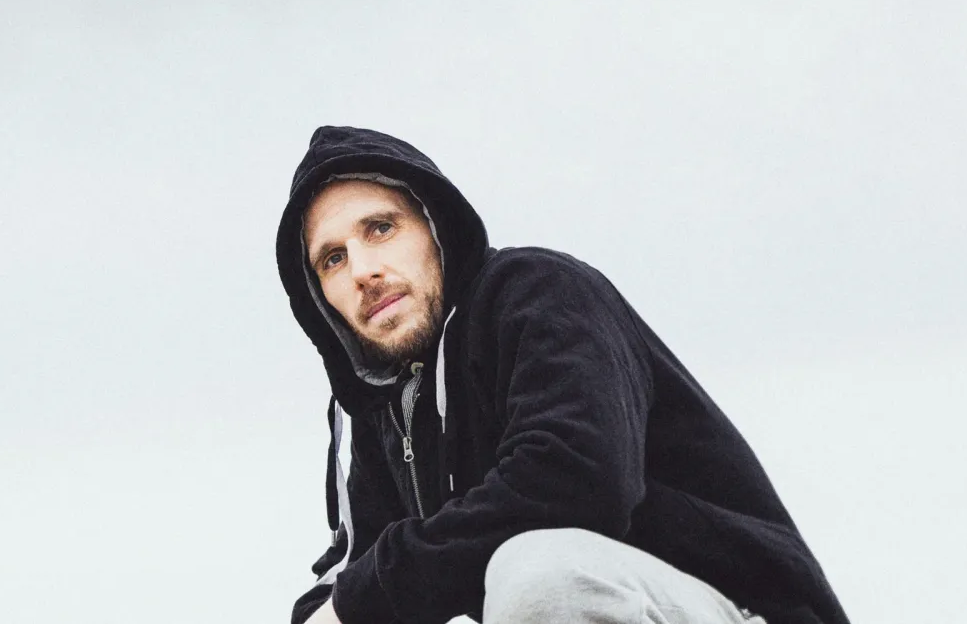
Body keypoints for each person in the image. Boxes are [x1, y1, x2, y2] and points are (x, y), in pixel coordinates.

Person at [276, 126, 849, 624]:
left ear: (433, 228)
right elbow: (346, 577)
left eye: (381, 228)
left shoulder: (536, 294)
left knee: (541, 574)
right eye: (333, 258)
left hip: (737, 609)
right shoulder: (379, 411)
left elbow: (576, 481)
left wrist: (368, 596)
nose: (363, 270)